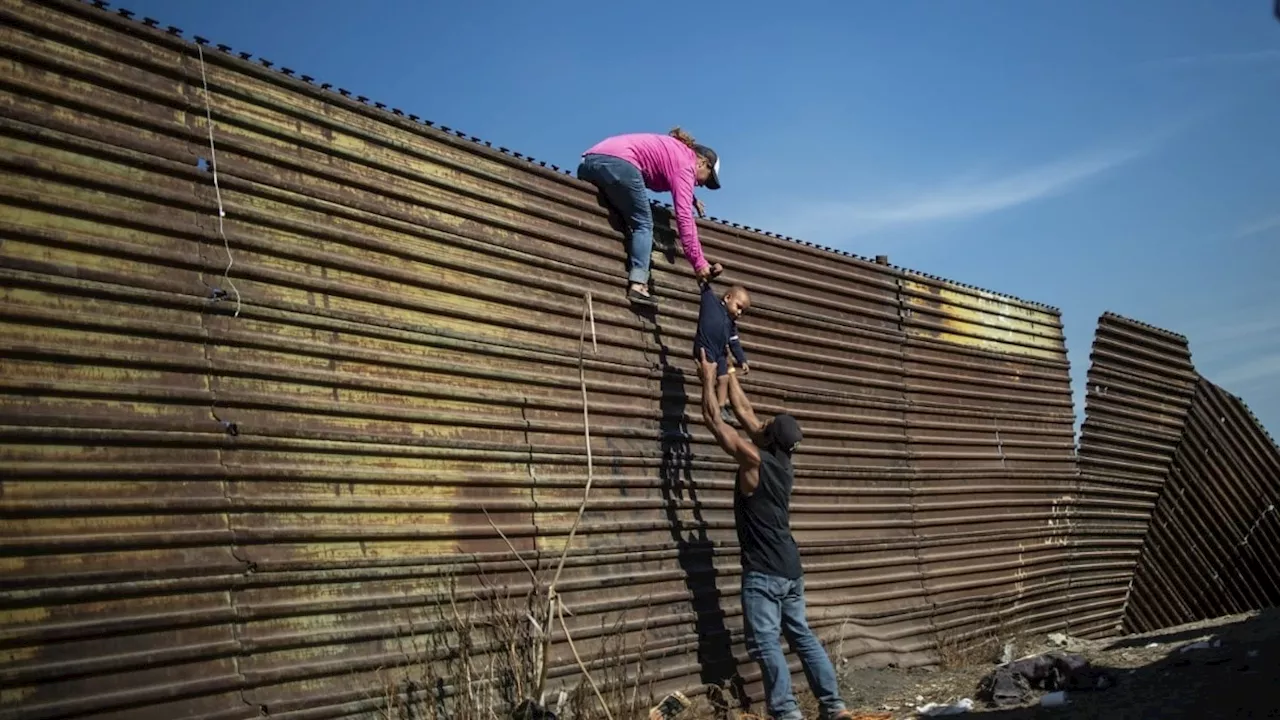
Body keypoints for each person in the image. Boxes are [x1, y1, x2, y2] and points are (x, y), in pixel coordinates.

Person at [695, 350, 853, 720]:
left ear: (768, 437)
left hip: (764, 573)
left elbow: (713, 420)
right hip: (791, 571)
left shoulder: (753, 462)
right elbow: (745, 411)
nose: (760, 419)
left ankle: (786, 713)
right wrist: (728, 369)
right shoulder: (782, 461)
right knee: (802, 636)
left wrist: (706, 377)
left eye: (767, 423)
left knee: (766, 643)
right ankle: (834, 707)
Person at [577, 128, 724, 307]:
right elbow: (684, 218)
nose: (702, 185)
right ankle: (638, 285)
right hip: (620, 164)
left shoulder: (677, 152)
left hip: (590, 162)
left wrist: (692, 198)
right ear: (702, 162)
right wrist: (699, 263)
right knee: (644, 224)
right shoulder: (686, 165)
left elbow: (667, 172)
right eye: (707, 180)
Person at [694, 283, 751, 424]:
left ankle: (721, 406)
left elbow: (734, 343)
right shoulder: (711, 303)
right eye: (738, 307)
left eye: (742, 312)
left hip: (720, 352)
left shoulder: (731, 324)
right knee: (710, 375)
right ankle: (711, 405)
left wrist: (742, 359)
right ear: (728, 297)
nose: (739, 313)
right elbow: (704, 284)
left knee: (724, 379)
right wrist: (708, 273)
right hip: (705, 347)